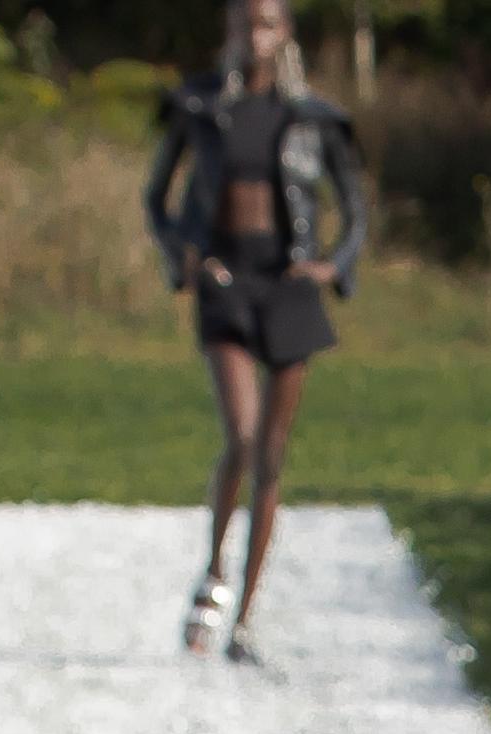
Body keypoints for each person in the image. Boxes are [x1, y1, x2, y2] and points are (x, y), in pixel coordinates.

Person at [145, 0, 364, 662]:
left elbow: (355, 205)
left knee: (272, 454)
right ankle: (214, 575)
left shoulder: (312, 118)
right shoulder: (201, 109)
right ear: (230, 32)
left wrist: (336, 264)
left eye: (267, 24)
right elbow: (157, 197)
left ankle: (245, 617)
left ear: (285, 34)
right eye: (244, 24)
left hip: (288, 286)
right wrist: (182, 254)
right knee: (239, 437)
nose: (255, 37)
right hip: (224, 284)